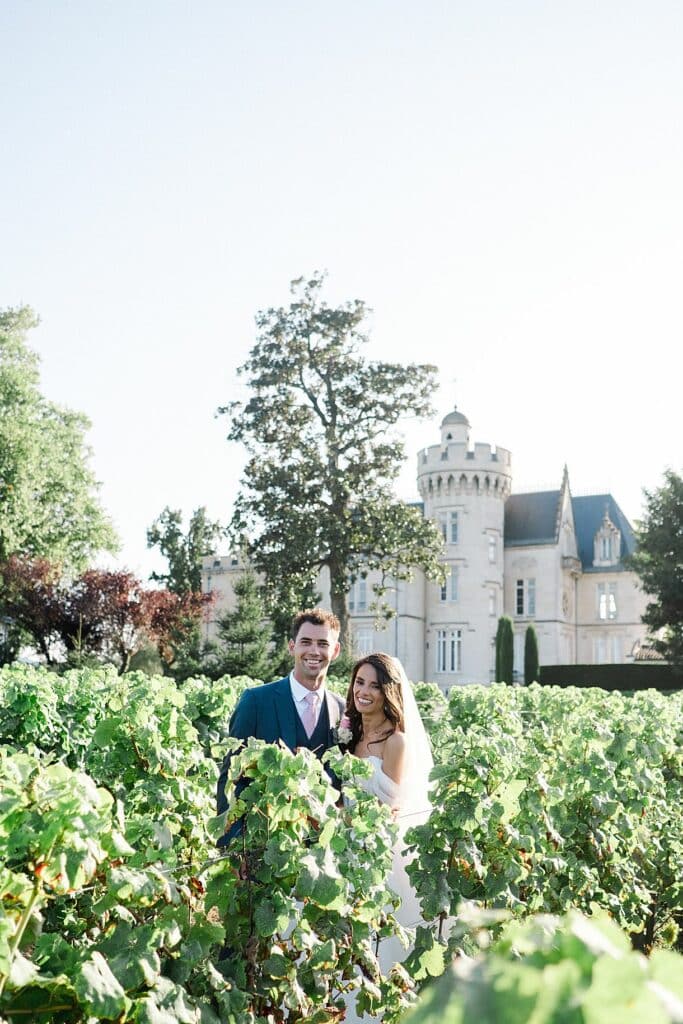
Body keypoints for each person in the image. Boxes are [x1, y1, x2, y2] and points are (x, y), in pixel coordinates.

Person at [343, 652, 434, 1021]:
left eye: (374, 686)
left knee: (379, 944)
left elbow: (391, 806)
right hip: (344, 846)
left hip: (377, 851)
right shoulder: (350, 733)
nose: (364, 691)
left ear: (388, 693)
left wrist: (349, 822)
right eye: (359, 682)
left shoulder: (396, 742)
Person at [215, 607, 346, 835]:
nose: (314, 651)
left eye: (323, 644)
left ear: (335, 651)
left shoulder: (342, 709)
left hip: (322, 848)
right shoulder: (255, 701)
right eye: (306, 642)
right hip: (262, 844)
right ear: (292, 646)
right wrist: (234, 847)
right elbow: (231, 776)